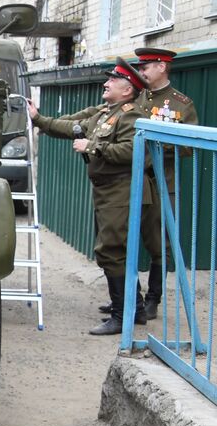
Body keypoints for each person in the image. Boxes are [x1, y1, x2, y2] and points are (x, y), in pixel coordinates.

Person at [29, 61, 159, 335]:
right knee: (114, 250)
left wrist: (93, 146)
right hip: (108, 190)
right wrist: (38, 119)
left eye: (112, 81)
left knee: (111, 251)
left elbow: (133, 151)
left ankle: (120, 316)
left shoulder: (132, 116)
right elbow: (71, 127)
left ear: (127, 90)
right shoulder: (106, 114)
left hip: (122, 190)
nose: (105, 84)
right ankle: (133, 308)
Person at [133, 47, 199, 320]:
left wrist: (157, 145)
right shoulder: (135, 98)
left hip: (161, 181)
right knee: (123, 239)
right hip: (131, 179)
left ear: (162, 67)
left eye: (146, 67)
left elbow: (188, 145)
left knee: (159, 243)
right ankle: (130, 300)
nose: (141, 72)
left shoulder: (181, 103)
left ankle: (152, 300)